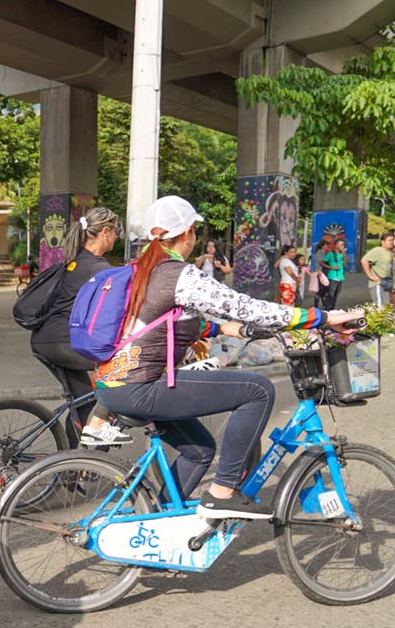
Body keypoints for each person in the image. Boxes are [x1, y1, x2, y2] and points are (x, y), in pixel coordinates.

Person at [93, 196, 360, 521]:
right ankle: (222, 495)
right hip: (141, 385)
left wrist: (224, 329)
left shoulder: (141, 270)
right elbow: (249, 307)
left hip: (113, 384)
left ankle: (153, 526)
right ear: (187, 232)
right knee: (258, 390)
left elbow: (163, 321)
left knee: (199, 450)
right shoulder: (178, 274)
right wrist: (323, 317)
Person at [29, 207, 132, 447]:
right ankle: (89, 448)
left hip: (49, 340)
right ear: (105, 232)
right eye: (115, 231)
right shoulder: (99, 269)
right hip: (63, 343)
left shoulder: (78, 262)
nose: (117, 236)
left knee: (85, 402)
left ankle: (74, 470)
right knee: (120, 369)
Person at [361, 231, 394, 306]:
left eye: (393, 240)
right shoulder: (377, 250)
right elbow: (364, 260)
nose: (392, 242)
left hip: (387, 283)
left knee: (386, 306)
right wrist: (370, 275)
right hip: (378, 283)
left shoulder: (389, 252)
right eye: (389, 240)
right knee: (380, 306)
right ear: (382, 241)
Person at [320, 238, 347, 310]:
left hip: (340, 277)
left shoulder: (342, 255)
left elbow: (345, 265)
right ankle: (327, 309)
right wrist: (331, 267)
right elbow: (322, 262)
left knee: (336, 295)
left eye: (343, 245)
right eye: (341, 245)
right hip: (332, 277)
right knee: (330, 295)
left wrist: (344, 255)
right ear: (336, 245)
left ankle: (332, 309)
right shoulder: (330, 254)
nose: (343, 246)